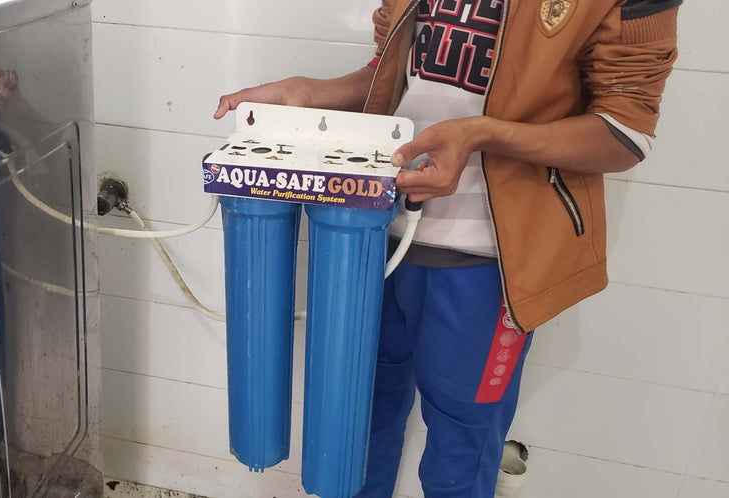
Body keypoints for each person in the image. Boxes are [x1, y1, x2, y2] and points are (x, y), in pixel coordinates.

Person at [213, 0, 680, 496]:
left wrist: (480, 135)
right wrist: (309, 93)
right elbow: (400, 75)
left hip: (491, 259)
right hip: (373, 233)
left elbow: (625, 131)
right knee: (353, 423)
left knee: (460, 452)